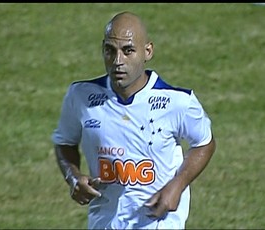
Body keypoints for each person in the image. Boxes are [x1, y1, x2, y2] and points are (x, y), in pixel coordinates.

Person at [51, 11, 216, 229]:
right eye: (110, 50)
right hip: (104, 223)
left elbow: (204, 143)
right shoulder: (81, 96)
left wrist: (177, 186)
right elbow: (64, 141)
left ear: (147, 51)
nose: (118, 61)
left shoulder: (178, 102)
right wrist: (73, 177)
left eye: (128, 50)